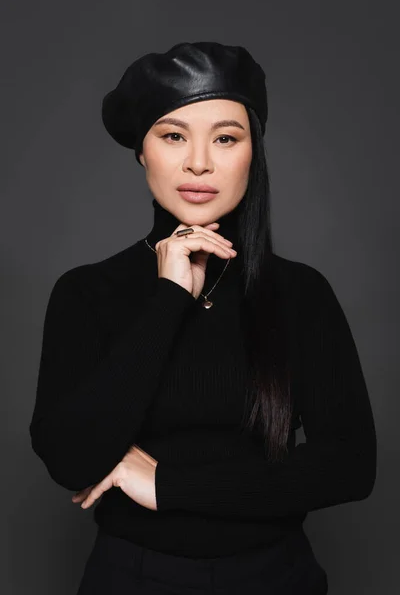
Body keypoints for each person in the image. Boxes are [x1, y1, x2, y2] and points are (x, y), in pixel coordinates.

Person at [29, 41, 377, 594]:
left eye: (225, 137)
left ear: (251, 152)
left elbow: (351, 466)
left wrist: (169, 485)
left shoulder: (301, 293)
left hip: (276, 577)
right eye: (173, 136)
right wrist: (168, 296)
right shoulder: (88, 292)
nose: (198, 162)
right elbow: (71, 460)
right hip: (132, 578)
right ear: (142, 152)